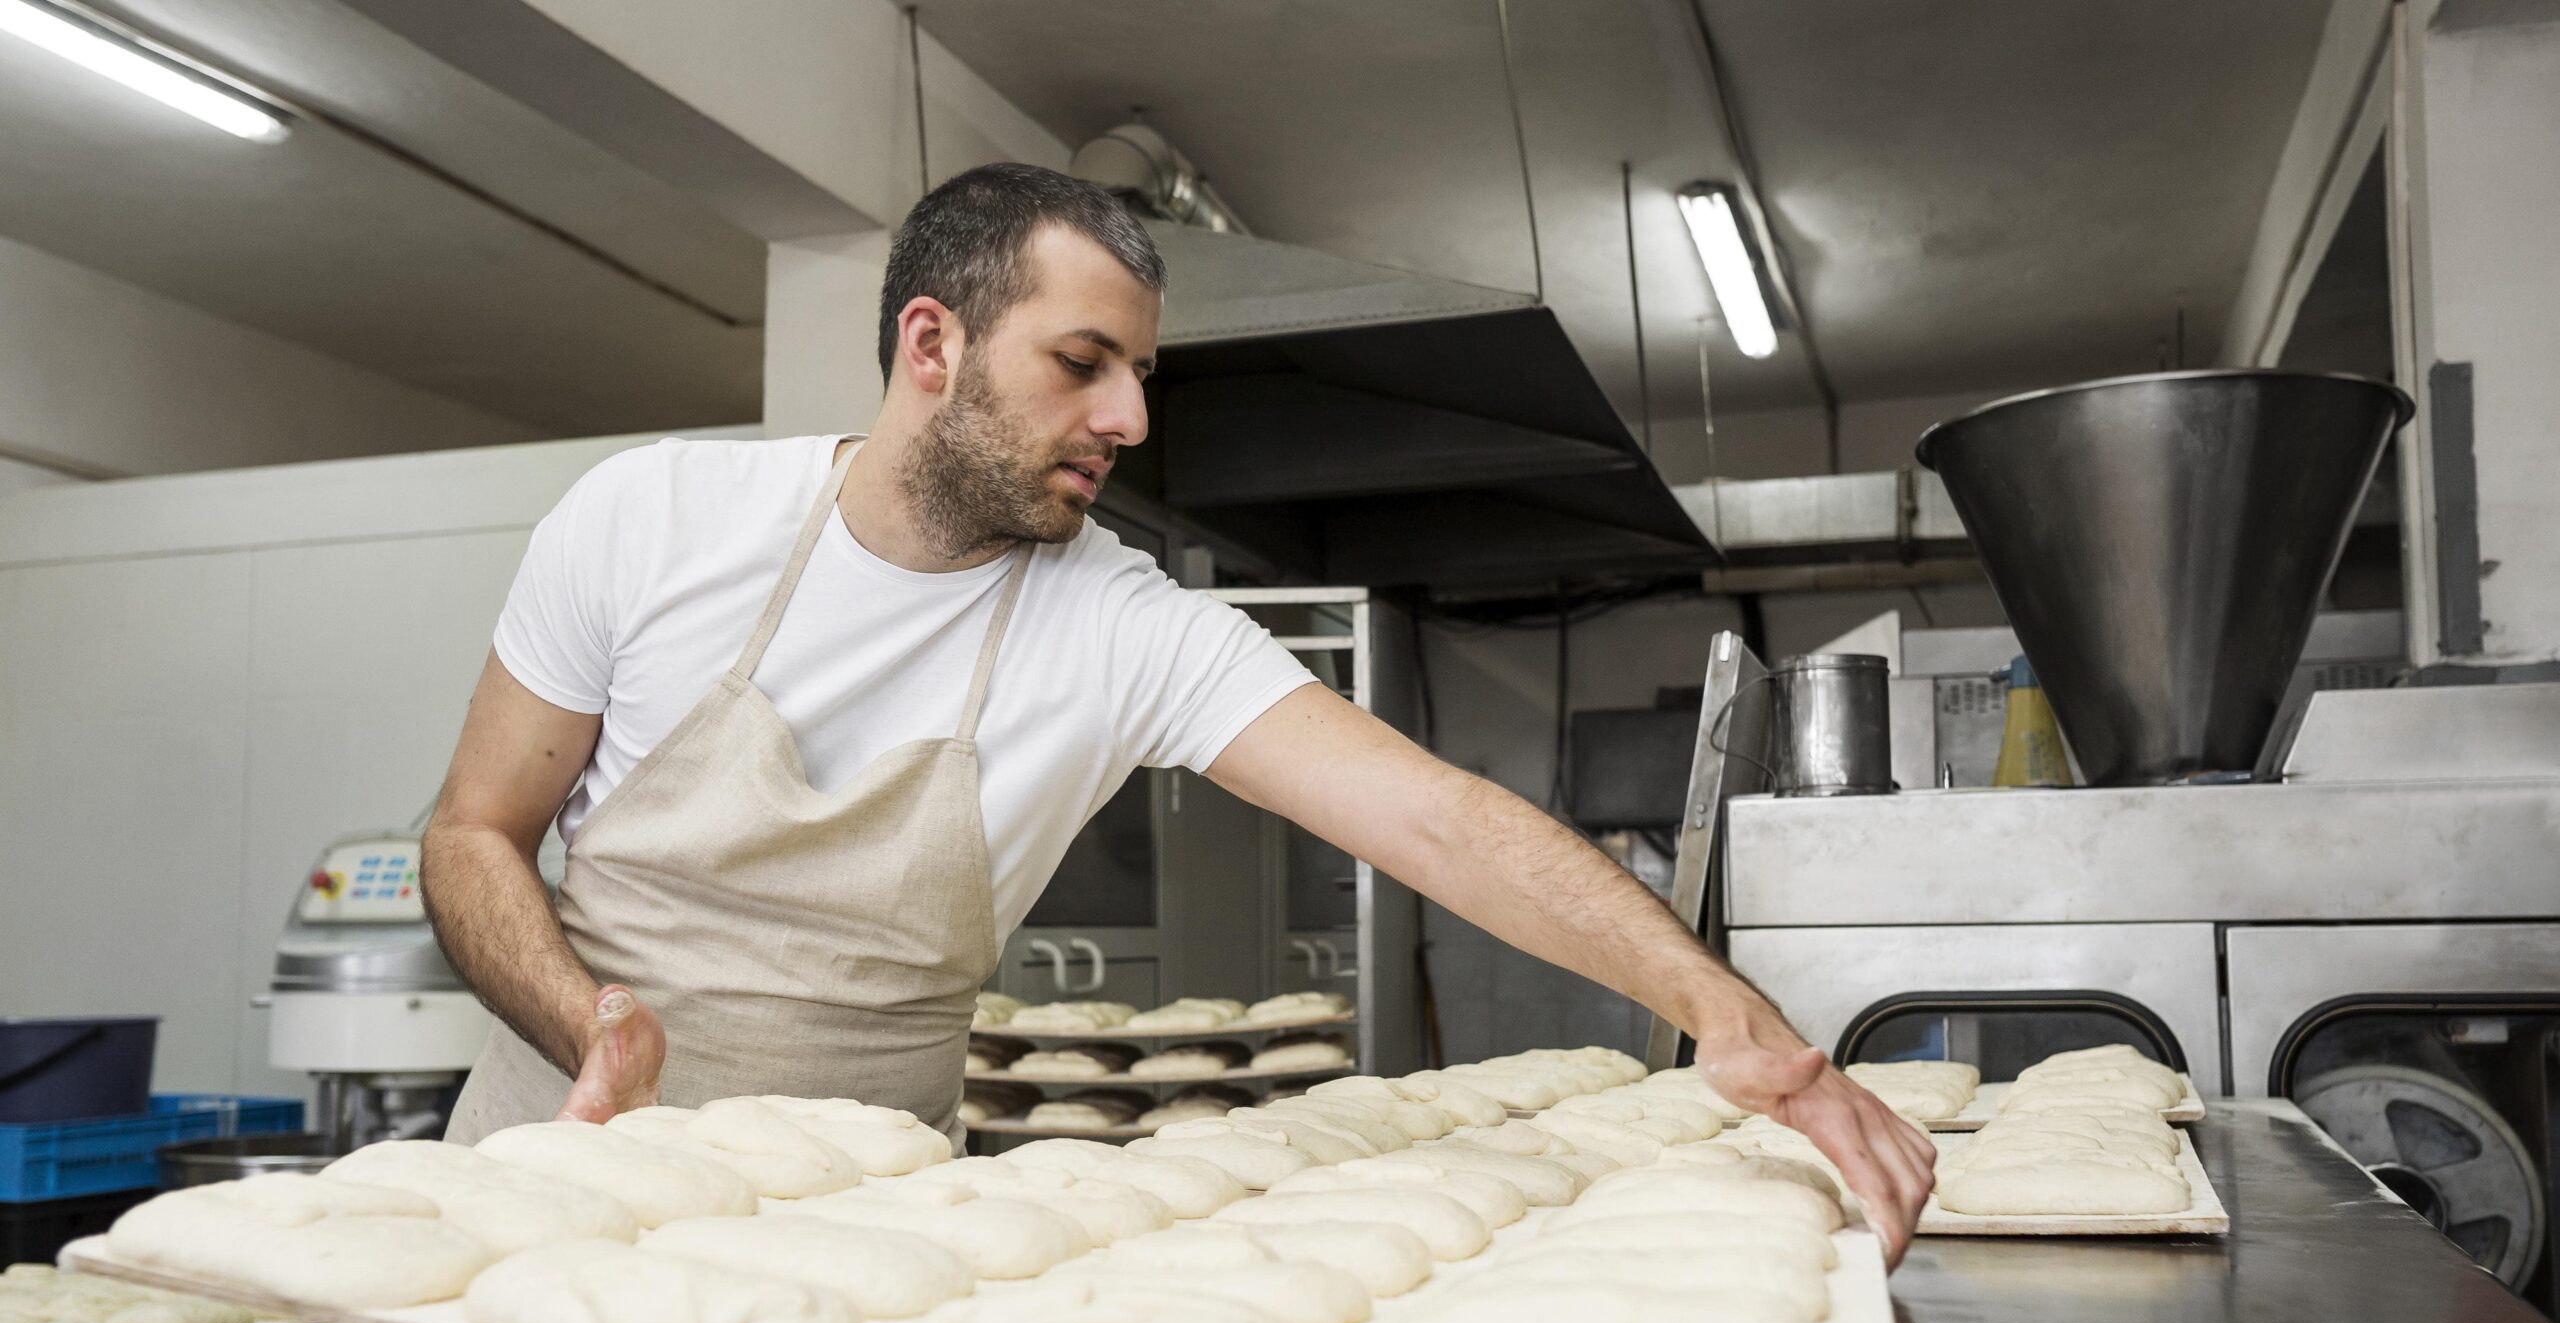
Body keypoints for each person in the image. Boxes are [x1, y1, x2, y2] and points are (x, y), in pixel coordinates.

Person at [420, 163, 1936, 1258]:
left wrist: (1719, 1007)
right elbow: (474, 834)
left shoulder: (1118, 622)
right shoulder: (649, 519)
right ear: (932, 345)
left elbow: (1435, 820)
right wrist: (588, 1023)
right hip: (557, 1191)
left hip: (861, 1243)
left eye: (1141, 373)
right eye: (1084, 366)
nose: (1132, 419)